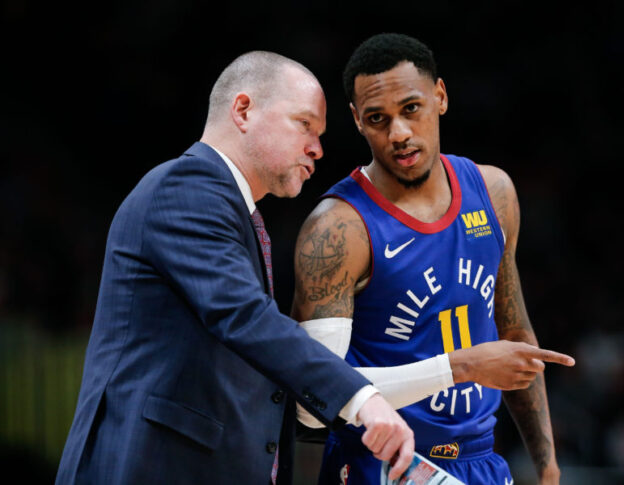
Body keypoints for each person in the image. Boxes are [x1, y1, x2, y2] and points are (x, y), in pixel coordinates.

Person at [54, 51, 415, 485]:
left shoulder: (231, 210)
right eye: (304, 125)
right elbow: (245, 318)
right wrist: (362, 399)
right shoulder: (185, 187)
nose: (317, 148)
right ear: (243, 110)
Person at [292, 33, 575, 484]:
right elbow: (311, 395)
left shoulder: (493, 192)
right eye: (378, 119)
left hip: (481, 461)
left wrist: (547, 467)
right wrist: (462, 366)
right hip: (381, 463)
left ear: (440, 96)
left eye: (411, 109)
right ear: (357, 121)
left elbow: (513, 328)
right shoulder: (337, 230)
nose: (399, 134)